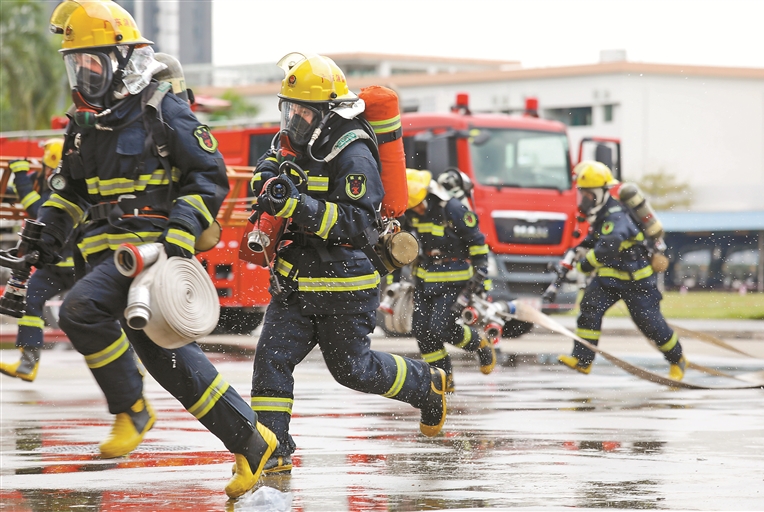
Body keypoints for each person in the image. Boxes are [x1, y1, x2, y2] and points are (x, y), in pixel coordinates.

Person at [37, 1, 276, 499]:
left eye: (93, 62)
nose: (84, 73)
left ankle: (131, 410)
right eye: (76, 63)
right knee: (168, 358)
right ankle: (253, 441)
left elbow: (207, 177)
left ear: (123, 59)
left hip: (152, 251)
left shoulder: (161, 107)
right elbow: (72, 191)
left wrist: (181, 232)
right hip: (108, 254)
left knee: (80, 309)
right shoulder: (87, 122)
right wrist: (43, 235)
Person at [248, 52, 448, 474]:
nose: (293, 118)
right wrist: (266, 177)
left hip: (344, 281)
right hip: (296, 281)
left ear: (327, 111)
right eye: (289, 108)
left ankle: (425, 384)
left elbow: (358, 223)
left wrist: (298, 206)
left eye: (302, 110)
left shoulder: (353, 152)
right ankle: (271, 451)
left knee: (353, 371)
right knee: (271, 359)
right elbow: (274, 164)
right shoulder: (296, 140)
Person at [557, 161, 687, 380]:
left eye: (588, 194)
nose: (585, 199)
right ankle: (583, 360)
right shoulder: (601, 214)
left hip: (637, 280)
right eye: (583, 194)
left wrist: (582, 266)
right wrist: (577, 250)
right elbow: (594, 238)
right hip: (610, 278)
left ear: (600, 192)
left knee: (651, 325)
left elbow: (608, 246)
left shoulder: (615, 215)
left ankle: (677, 360)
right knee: (589, 309)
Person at [399, 168, 496, 393]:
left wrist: (481, 274)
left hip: (455, 280)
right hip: (425, 279)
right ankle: (443, 380)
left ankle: (480, 344)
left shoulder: (452, 208)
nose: (417, 211)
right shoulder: (411, 211)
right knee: (422, 331)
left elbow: (477, 242)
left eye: (419, 206)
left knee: (440, 328)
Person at [1, 139, 76, 382]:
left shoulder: (68, 185)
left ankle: (130, 361)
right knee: (30, 300)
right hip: (54, 267)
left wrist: (21, 177)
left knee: (104, 309)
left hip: (79, 266)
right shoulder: (49, 181)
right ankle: (27, 364)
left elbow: (40, 210)